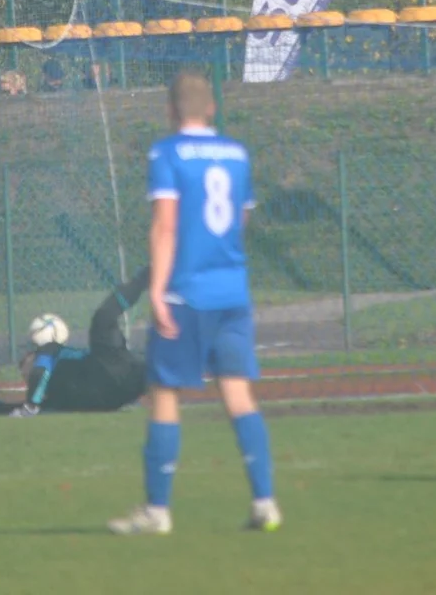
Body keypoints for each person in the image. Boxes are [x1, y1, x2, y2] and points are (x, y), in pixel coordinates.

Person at [107, 71, 281, 535]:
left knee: (163, 394)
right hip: (232, 292)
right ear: (212, 110)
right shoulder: (236, 154)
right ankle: (265, 501)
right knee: (238, 395)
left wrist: (159, 292)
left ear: (170, 111)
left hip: (186, 294)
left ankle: (157, 511)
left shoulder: (167, 153)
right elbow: (240, 218)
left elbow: (165, 227)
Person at [0, 267, 150, 417]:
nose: (23, 371)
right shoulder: (51, 396)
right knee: (103, 318)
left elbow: (40, 373)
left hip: (106, 374)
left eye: (24, 362)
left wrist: (31, 406)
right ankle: (145, 277)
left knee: (103, 317)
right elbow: (12, 408)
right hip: (112, 390)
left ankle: (147, 275)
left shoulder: (50, 350)